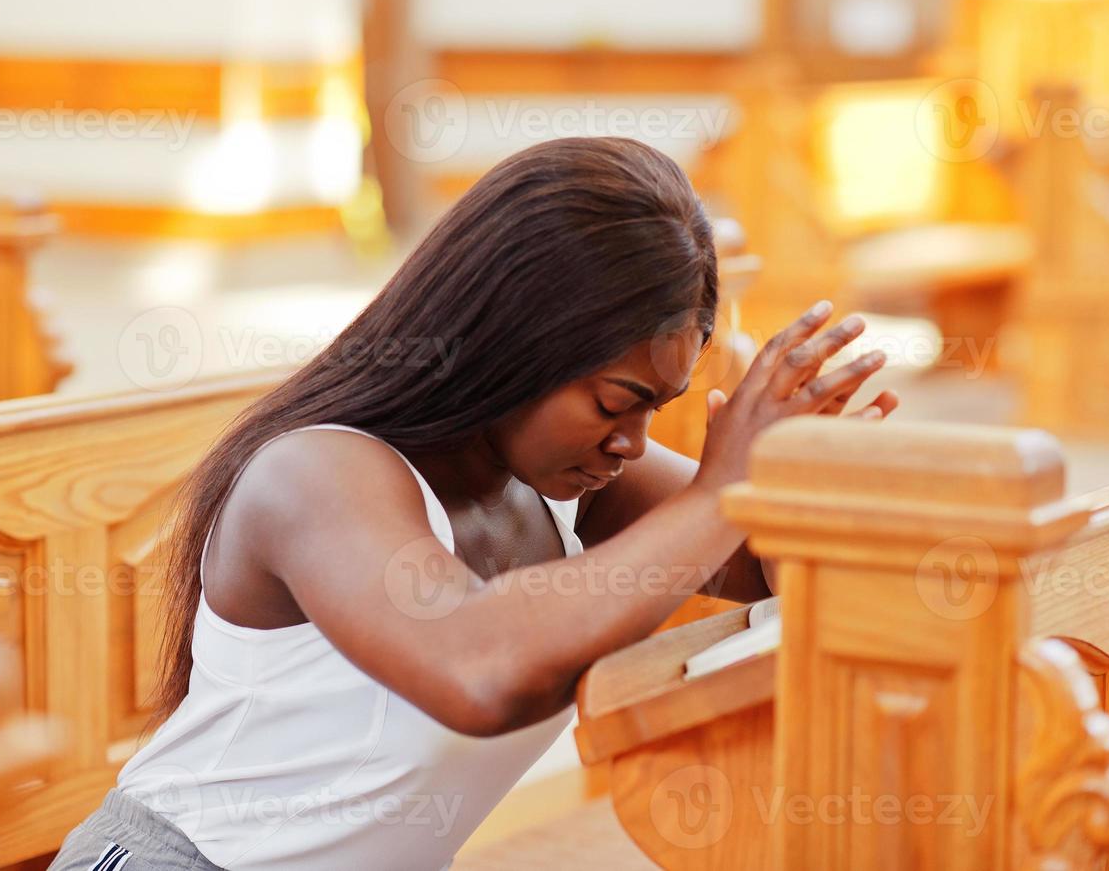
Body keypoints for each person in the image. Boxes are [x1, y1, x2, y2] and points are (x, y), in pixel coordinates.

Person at [49, 137, 897, 870]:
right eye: (614, 402)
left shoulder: (568, 479)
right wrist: (726, 490)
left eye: (654, 408)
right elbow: (474, 670)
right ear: (514, 343)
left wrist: (805, 468)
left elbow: (762, 562)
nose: (632, 442)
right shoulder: (316, 474)